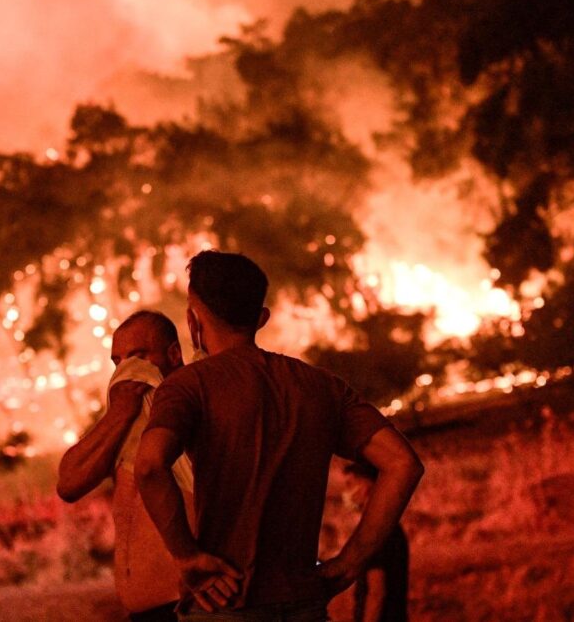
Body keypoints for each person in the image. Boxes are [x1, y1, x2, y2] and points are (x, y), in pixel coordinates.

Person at [135, 250, 424, 621]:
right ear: (261, 319)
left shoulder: (187, 387)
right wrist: (350, 563)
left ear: (192, 321)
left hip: (225, 604)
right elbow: (402, 463)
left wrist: (186, 556)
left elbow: (149, 465)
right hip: (305, 605)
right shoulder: (320, 386)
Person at [57, 311, 194, 621]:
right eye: (118, 362)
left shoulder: (193, 406)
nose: (127, 371)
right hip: (143, 611)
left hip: (183, 605)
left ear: (173, 354)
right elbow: (68, 483)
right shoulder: (125, 419)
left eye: (138, 357)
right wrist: (119, 414)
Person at [343, 462, 409, 622]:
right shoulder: (391, 526)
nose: (345, 492)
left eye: (350, 484)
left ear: (366, 487)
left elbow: (376, 592)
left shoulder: (374, 531)